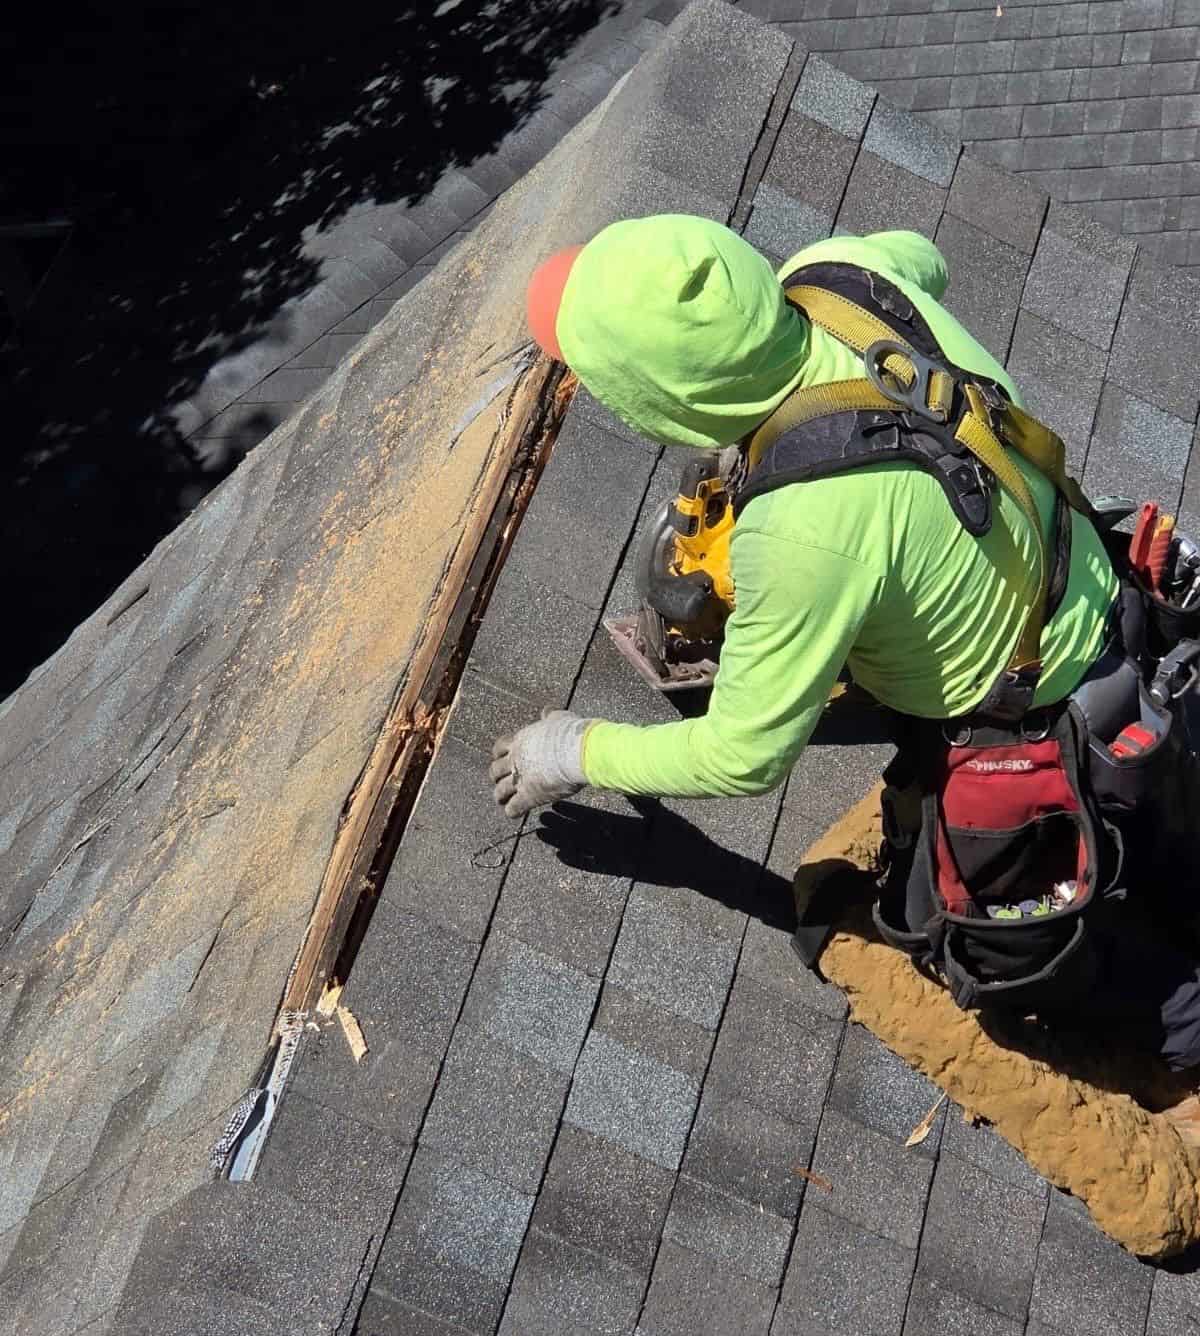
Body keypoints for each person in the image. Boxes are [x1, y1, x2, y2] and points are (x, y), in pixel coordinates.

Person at [490, 214, 1200, 1072]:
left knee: (1019, 975)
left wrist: (575, 750)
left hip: (1038, 734)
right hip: (1106, 600)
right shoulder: (841, 275)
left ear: (656, 398)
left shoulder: (798, 539)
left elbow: (743, 758)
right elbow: (926, 259)